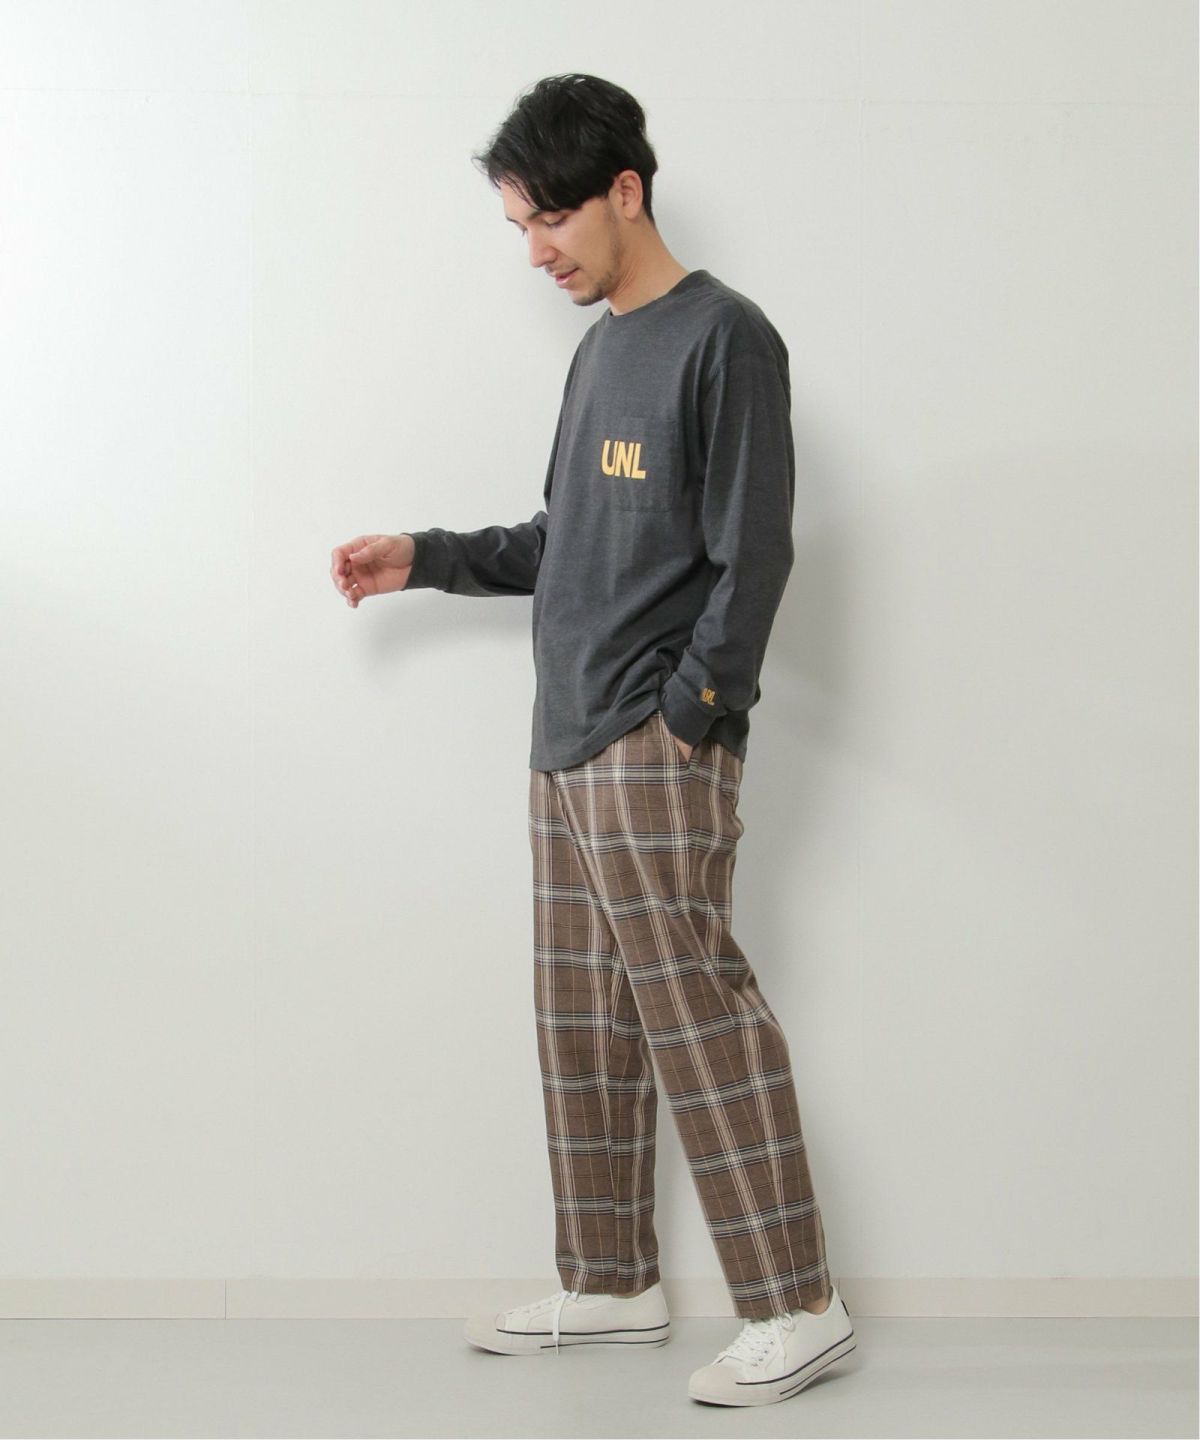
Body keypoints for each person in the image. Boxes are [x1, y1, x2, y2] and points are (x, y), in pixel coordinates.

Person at [328, 72, 855, 1409]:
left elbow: (753, 554)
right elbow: (563, 539)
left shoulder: (726, 339)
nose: (536, 252)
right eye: (519, 226)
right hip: (561, 740)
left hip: (654, 745)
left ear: (627, 190)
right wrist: (423, 557)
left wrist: (690, 720)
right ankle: (613, 1282)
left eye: (551, 219)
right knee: (584, 1025)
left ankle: (798, 1306)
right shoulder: (598, 352)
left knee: (698, 1016)